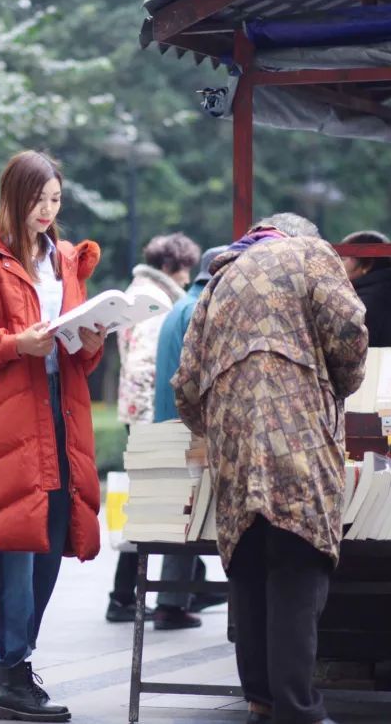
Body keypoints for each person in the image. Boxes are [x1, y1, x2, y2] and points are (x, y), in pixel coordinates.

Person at [173, 213, 368, 724]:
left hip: (234, 445)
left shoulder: (220, 276)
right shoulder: (312, 254)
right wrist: (337, 387)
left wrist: (218, 421)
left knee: (252, 565)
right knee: (298, 562)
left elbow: (186, 382)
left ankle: (261, 699)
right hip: (296, 436)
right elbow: (348, 329)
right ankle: (299, 709)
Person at [0, 150, 105, 723]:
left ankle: (12, 666)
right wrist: (18, 344)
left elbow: (82, 352)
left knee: (53, 535)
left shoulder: (64, 259)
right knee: (15, 541)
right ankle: (12, 666)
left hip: (62, 418)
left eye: (56, 200)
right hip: (10, 422)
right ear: (14, 197)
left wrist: (90, 339)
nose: (48, 210)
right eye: (39, 200)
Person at [107, 232, 201, 624]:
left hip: (136, 413)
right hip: (149, 416)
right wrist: (158, 421)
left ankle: (171, 589)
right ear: (171, 266)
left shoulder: (139, 290)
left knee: (145, 506)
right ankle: (125, 597)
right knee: (151, 509)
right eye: (185, 269)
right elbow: (146, 365)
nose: (187, 278)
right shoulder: (157, 301)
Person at [150, 245, 228, 631]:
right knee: (194, 519)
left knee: (183, 520)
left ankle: (171, 602)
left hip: (169, 428)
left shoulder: (182, 305)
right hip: (190, 430)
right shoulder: (204, 309)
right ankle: (173, 602)